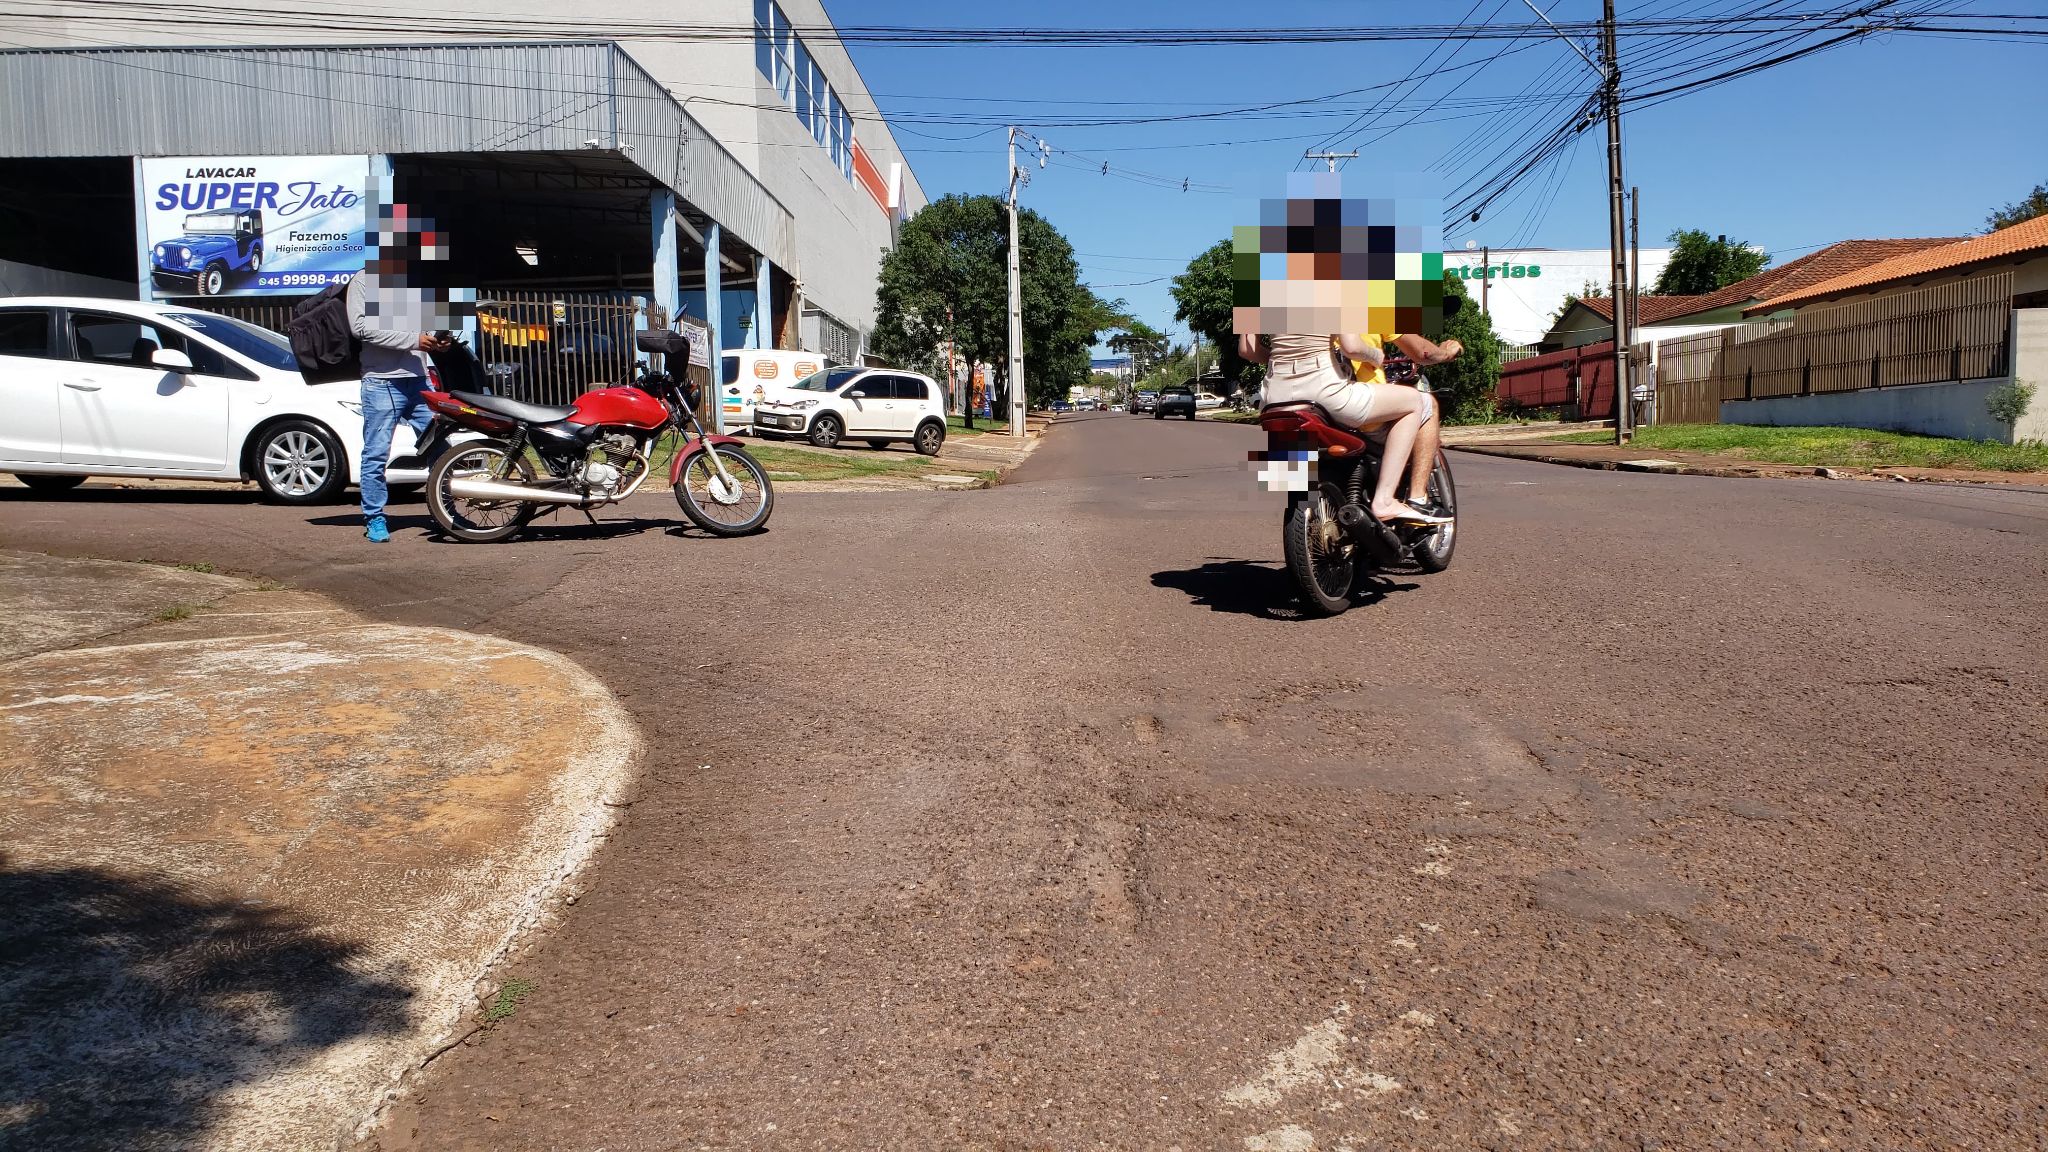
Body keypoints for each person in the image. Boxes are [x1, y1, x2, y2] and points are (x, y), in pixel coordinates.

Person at [1239, 329, 1451, 525]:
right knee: (1416, 401)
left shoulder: (1252, 288)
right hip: (1323, 389)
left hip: (1274, 393)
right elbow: (1353, 347)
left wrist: (1284, 361)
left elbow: (1247, 350)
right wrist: (1375, 355)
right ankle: (1385, 500)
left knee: (1290, 460)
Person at [347, 206, 455, 543]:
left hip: (419, 381)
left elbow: (423, 330)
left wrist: (438, 342)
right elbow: (361, 328)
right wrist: (414, 339)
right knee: (376, 453)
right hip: (381, 382)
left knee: (441, 449)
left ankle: (448, 510)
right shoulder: (364, 281)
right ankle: (375, 517)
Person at [1349, 331, 1463, 516]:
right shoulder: (1369, 304)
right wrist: (1446, 351)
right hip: (1354, 403)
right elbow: (1422, 351)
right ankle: (1415, 499)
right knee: (1426, 404)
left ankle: (1298, 501)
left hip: (1297, 403)